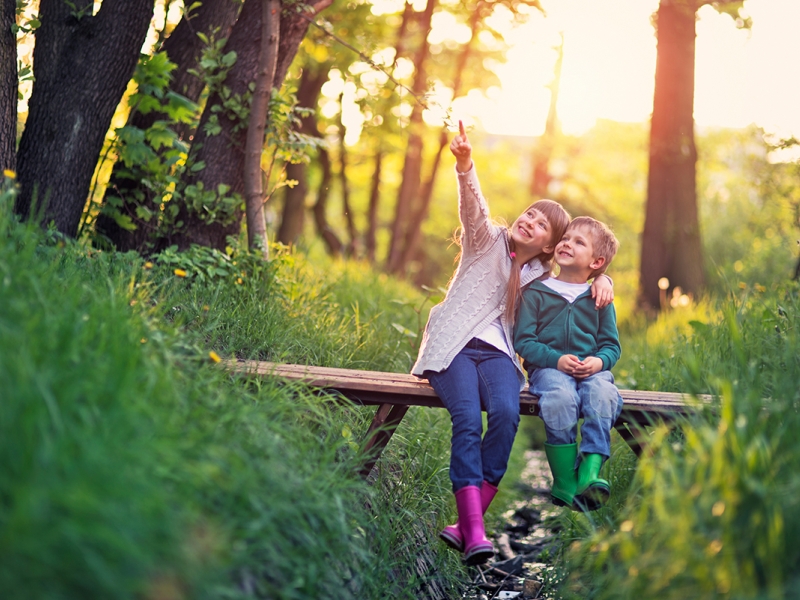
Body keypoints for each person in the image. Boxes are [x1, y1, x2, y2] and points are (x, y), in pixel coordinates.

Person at [412, 122, 614, 565]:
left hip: (500, 356)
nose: (530, 221)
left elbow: (575, 277)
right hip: (456, 349)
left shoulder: (540, 276)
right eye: (529, 213)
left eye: (542, 224)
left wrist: (605, 278)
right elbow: (474, 207)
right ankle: (477, 531)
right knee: (467, 418)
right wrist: (465, 163)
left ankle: (466, 525)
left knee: (505, 415)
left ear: (549, 245)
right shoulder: (486, 242)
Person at [513, 216, 623, 512]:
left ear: (597, 262)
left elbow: (612, 346)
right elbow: (523, 341)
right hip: (548, 369)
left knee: (603, 395)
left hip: (592, 372)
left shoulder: (600, 297)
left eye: (579, 242)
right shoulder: (536, 291)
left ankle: (590, 472)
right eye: (566, 238)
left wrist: (599, 362)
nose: (566, 243)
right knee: (561, 398)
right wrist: (555, 359)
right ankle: (564, 480)